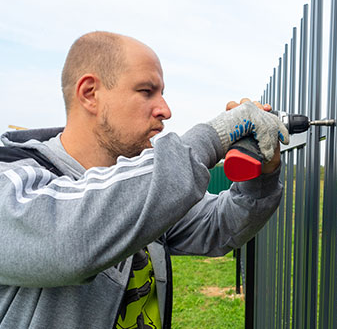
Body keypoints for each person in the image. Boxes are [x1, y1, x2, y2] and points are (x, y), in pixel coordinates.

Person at [0, 31, 289, 329]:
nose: (165, 109)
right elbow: (67, 243)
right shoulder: (11, 181)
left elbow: (219, 225)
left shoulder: (143, 191)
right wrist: (213, 137)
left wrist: (262, 177)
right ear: (89, 93)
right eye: (146, 91)